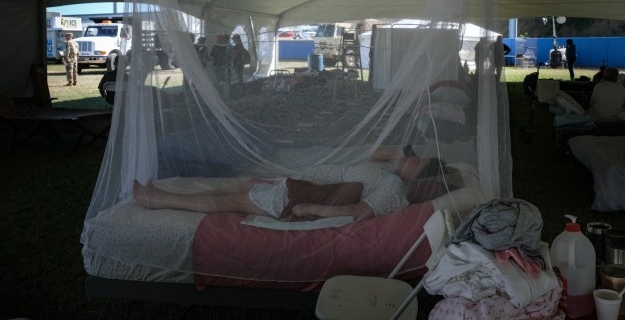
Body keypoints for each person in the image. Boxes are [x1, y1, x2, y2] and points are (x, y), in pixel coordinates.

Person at [133, 145, 448, 221]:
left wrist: (308, 208)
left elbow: (359, 211)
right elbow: (374, 152)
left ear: (420, 177)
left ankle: (157, 201)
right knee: (234, 189)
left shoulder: (393, 190)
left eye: (415, 161)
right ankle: (162, 192)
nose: (410, 156)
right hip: (294, 185)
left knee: (227, 202)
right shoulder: (390, 173)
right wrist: (398, 155)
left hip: (299, 197)